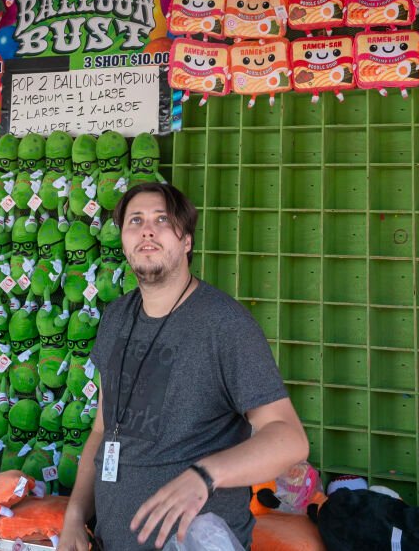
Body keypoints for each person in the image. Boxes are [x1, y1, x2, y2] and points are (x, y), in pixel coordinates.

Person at [61, 181, 310, 551]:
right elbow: (101, 431)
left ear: (187, 241)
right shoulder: (115, 318)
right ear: (125, 241)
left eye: (162, 219)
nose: (147, 229)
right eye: (135, 220)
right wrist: (75, 517)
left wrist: (205, 475)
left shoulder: (224, 324)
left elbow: (290, 439)